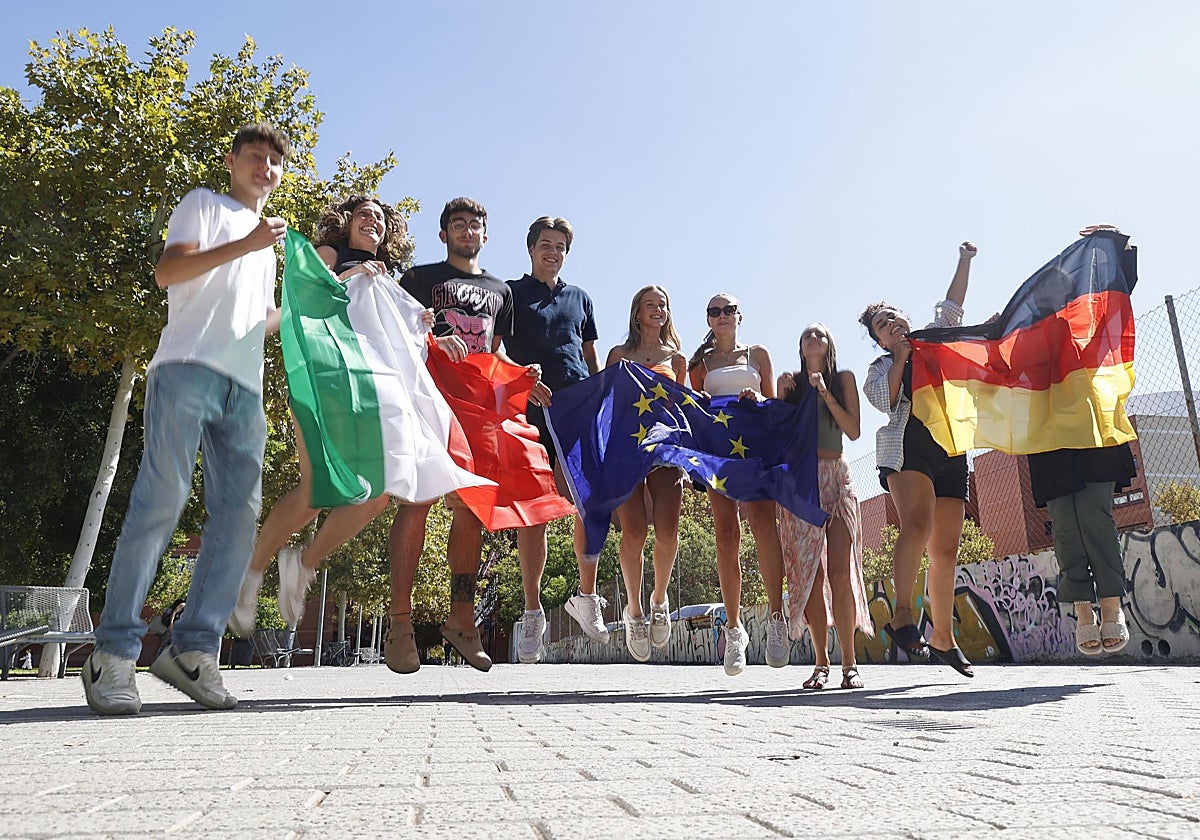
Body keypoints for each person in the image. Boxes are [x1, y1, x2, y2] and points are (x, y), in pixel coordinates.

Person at [82, 123, 290, 715]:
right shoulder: (205, 206)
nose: (266, 169)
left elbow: (254, 321)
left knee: (239, 518)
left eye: (275, 163)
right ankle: (113, 653)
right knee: (162, 499)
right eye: (256, 157)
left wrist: (301, 310)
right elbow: (169, 272)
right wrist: (248, 243)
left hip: (244, 388)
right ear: (232, 161)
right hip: (185, 369)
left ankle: (194, 649)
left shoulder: (267, 248)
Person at [229, 195, 417, 636]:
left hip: (372, 382)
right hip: (326, 376)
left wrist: (421, 324)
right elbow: (303, 293)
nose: (373, 220)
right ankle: (250, 575)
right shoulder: (333, 255)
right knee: (317, 488)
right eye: (364, 214)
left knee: (377, 493)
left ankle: (303, 562)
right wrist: (351, 273)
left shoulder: (393, 278)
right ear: (347, 223)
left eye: (380, 216)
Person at [386, 197, 545, 674]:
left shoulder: (501, 290)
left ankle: (462, 622)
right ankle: (400, 624)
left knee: (473, 509)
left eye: (475, 225)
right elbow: (398, 331)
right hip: (427, 399)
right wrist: (435, 341)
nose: (468, 231)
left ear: (485, 235)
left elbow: (497, 354)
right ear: (444, 235)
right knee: (417, 502)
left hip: (476, 410)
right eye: (459, 225)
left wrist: (525, 374)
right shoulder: (418, 279)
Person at [859, 241, 978, 678]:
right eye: (880, 326)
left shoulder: (934, 341)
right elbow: (884, 401)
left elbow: (952, 308)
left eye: (892, 316)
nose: (890, 325)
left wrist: (964, 259)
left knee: (946, 547)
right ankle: (903, 615)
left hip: (949, 447)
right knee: (918, 524)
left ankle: (943, 637)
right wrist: (901, 356)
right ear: (878, 340)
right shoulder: (881, 367)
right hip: (907, 449)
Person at [502, 216, 607, 663]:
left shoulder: (580, 299)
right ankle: (532, 612)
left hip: (577, 411)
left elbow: (590, 357)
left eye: (560, 246)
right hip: (528, 412)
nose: (553, 251)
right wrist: (523, 379)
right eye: (545, 244)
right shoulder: (509, 294)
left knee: (589, 503)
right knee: (535, 514)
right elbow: (497, 350)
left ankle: (586, 596)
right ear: (530, 249)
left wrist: (601, 399)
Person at [1029, 224, 1136, 657]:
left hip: (1094, 431)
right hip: (1051, 441)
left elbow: (1120, 286)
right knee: (1066, 531)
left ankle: (1111, 609)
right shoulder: (1027, 336)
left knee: (1094, 518)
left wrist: (1115, 242)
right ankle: (1084, 615)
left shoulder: (1090, 319)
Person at [687, 293, 784, 676]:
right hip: (718, 452)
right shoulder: (700, 363)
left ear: (739, 316)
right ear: (708, 319)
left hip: (755, 447)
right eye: (715, 311)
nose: (723, 315)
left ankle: (777, 617)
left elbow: (773, 402)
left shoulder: (758, 354)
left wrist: (757, 397)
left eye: (729, 310)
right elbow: (692, 407)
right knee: (726, 534)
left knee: (764, 527)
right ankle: (734, 628)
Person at [777, 323, 872, 690]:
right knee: (811, 576)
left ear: (829, 343)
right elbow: (779, 434)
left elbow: (853, 430)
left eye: (820, 333)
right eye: (806, 335)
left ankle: (850, 664)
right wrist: (781, 397)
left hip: (837, 477)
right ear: (800, 348)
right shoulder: (792, 384)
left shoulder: (842, 379)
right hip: (801, 483)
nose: (813, 338)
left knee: (840, 572)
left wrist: (823, 392)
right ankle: (821, 663)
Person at [604, 285, 687, 663]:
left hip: (666, 449)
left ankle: (658, 600)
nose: (656, 309)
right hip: (626, 448)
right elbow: (605, 403)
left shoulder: (678, 358)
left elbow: (688, 407)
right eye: (649, 304)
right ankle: (634, 611)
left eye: (662, 305)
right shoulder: (619, 355)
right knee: (634, 531)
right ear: (636, 313)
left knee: (668, 530)